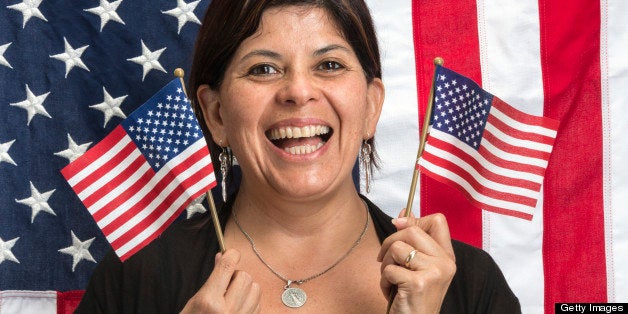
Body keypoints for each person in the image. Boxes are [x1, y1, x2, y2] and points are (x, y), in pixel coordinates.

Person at [76, 0, 521, 313]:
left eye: (329, 65)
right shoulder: (133, 281)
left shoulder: (468, 285)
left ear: (371, 106)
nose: (298, 92)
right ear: (215, 115)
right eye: (263, 69)